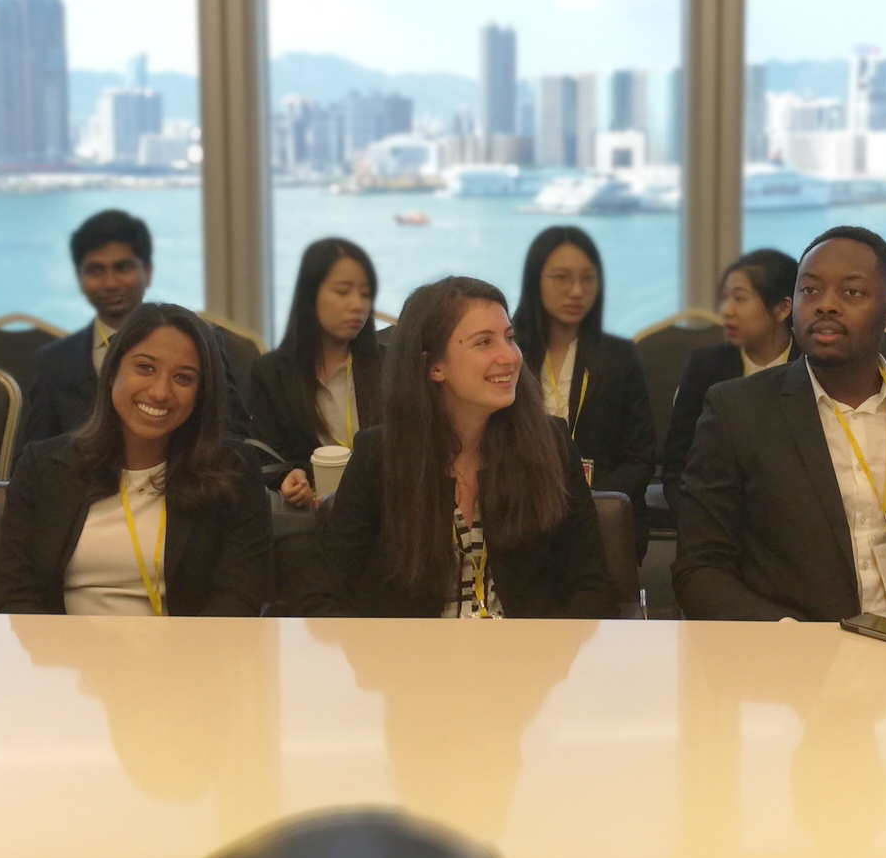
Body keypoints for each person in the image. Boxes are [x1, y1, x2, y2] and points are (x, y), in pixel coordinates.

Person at [672, 226, 886, 623]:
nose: (826, 305)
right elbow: (700, 570)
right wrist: (784, 638)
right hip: (797, 658)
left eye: (851, 292)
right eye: (810, 291)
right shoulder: (737, 412)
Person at [301, 277, 617, 618]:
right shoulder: (379, 457)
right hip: (411, 663)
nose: (510, 357)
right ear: (434, 366)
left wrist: (551, 660)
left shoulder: (551, 446)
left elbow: (591, 585)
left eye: (509, 338)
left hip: (528, 660)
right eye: (484, 342)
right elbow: (323, 595)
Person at [0, 303, 271, 616]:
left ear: (201, 393)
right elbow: (15, 596)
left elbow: (238, 597)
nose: (160, 392)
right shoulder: (42, 466)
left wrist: (181, 663)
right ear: (112, 372)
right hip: (65, 659)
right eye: (145, 368)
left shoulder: (233, 471)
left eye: (183, 378)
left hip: (187, 659)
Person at [19, 209, 249, 451]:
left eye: (123, 268)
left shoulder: (200, 342)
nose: (110, 283)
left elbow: (234, 440)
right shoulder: (56, 361)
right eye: (96, 270)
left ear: (147, 272)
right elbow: (34, 458)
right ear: (80, 278)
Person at [511, 226, 656, 517]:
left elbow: (640, 458)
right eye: (562, 277)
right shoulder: (509, 354)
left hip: (599, 509)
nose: (577, 291)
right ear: (534, 280)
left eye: (587, 278)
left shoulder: (619, 356)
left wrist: (590, 499)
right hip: (520, 506)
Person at [249, 238, 384, 508]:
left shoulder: (391, 365)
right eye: (343, 291)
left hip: (383, 509)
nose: (358, 304)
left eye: (366, 293)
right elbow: (268, 457)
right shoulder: (271, 373)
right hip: (314, 513)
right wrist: (290, 477)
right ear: (310, 295)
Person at [661, 249, 799, 510]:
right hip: (717, 513)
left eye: (740, 299)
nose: (727, 311)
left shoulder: (812, 365)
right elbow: (677, 466)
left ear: (783, 308)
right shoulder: (705, 366)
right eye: (725, 299)